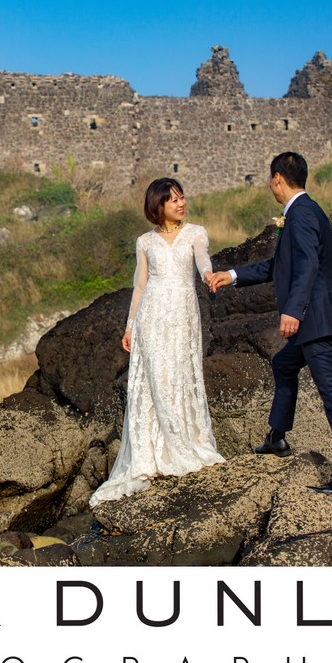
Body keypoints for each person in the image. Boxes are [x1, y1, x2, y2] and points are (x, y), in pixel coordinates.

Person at [207, 151, 332, 500]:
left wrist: (293, 310)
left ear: (278, 178)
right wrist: (230, 275)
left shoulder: (303, 213)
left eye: (270, 179)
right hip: (317, 318)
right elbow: (278, 266)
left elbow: (307, 265)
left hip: (316, 321)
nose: (270, 185)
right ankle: (277, 437)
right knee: (283, 363)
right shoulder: (302, 212)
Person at [90, 178, 225, 506]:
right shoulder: (145, 241)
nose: (180, 203)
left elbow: (203, 259)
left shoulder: (196, 232)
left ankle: (184, 445)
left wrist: (208, 274)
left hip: (181, 314)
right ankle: (152, 455)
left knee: (179, 377)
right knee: (155, 382)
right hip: (151, 315)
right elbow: (140, 286)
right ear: (157, 206)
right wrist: (130, 326)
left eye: (182, 197)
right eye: (173, 200)